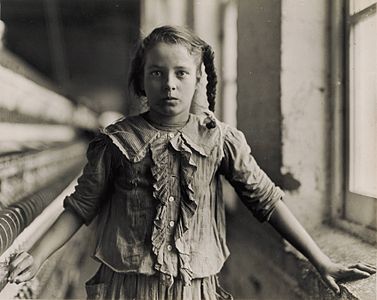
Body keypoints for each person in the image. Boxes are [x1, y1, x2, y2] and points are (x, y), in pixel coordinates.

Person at [7, 25, 375, 300]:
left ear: (198, 79)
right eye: (157, 73)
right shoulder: (116, 142)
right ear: (141, 81)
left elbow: (267, 200)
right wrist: (36, 257)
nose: (169, 84)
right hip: (126, 287)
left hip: (194, 289)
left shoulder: (220, 140)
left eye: (181, 74)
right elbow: (79, 206)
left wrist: (321, 260)